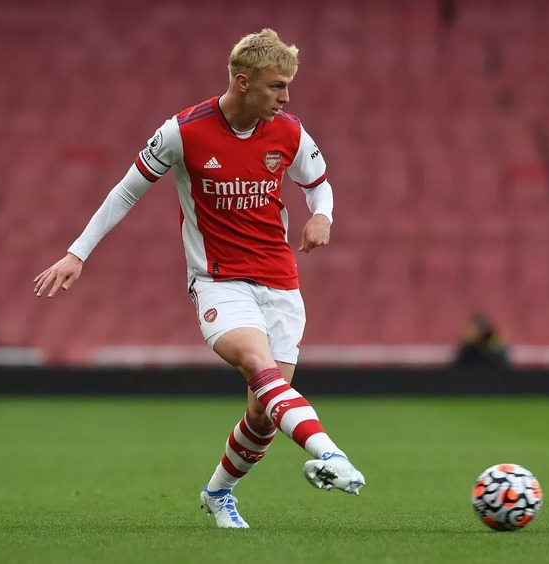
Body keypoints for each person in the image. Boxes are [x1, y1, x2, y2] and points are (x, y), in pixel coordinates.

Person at [33, 29, 365, 529]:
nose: (286, 97)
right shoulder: (182, 132)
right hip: (218, 280)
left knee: (262, 412)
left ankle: (218, 493)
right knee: (257, 363)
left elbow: (319, 186)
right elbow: (125, 193)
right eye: (277, 86)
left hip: (280, 281)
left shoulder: (290, 132)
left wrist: (323, 216)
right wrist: (76, 254)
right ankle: (332, 453)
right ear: (243, 81)